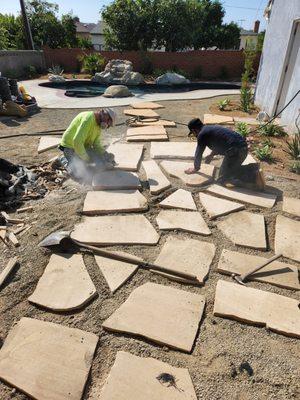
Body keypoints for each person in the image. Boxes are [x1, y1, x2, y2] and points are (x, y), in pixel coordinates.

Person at [185, 118, 265, 189]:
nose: (195, 135)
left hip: (235, 151)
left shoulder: (202, 134)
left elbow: (199, 152)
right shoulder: (209, 129)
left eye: (193, 133)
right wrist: (211, 155)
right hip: (243, 149)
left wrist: (196, 168)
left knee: (222, 179)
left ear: (194, 130)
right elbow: (220, 142)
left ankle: (253, 175)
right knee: (230, 170)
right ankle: (254, 169)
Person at [59, 108, 116, 182]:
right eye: (108, 123)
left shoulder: (98, 124)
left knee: (98, 164)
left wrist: (104, 154)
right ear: (105, 115)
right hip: (70, 146)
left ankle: (83, 159)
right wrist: (87, 159)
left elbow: (96, 143)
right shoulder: (88, 119)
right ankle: (63, 159)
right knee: (78, 174)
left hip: (83, 146)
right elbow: (77, 142)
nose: (107, 126)